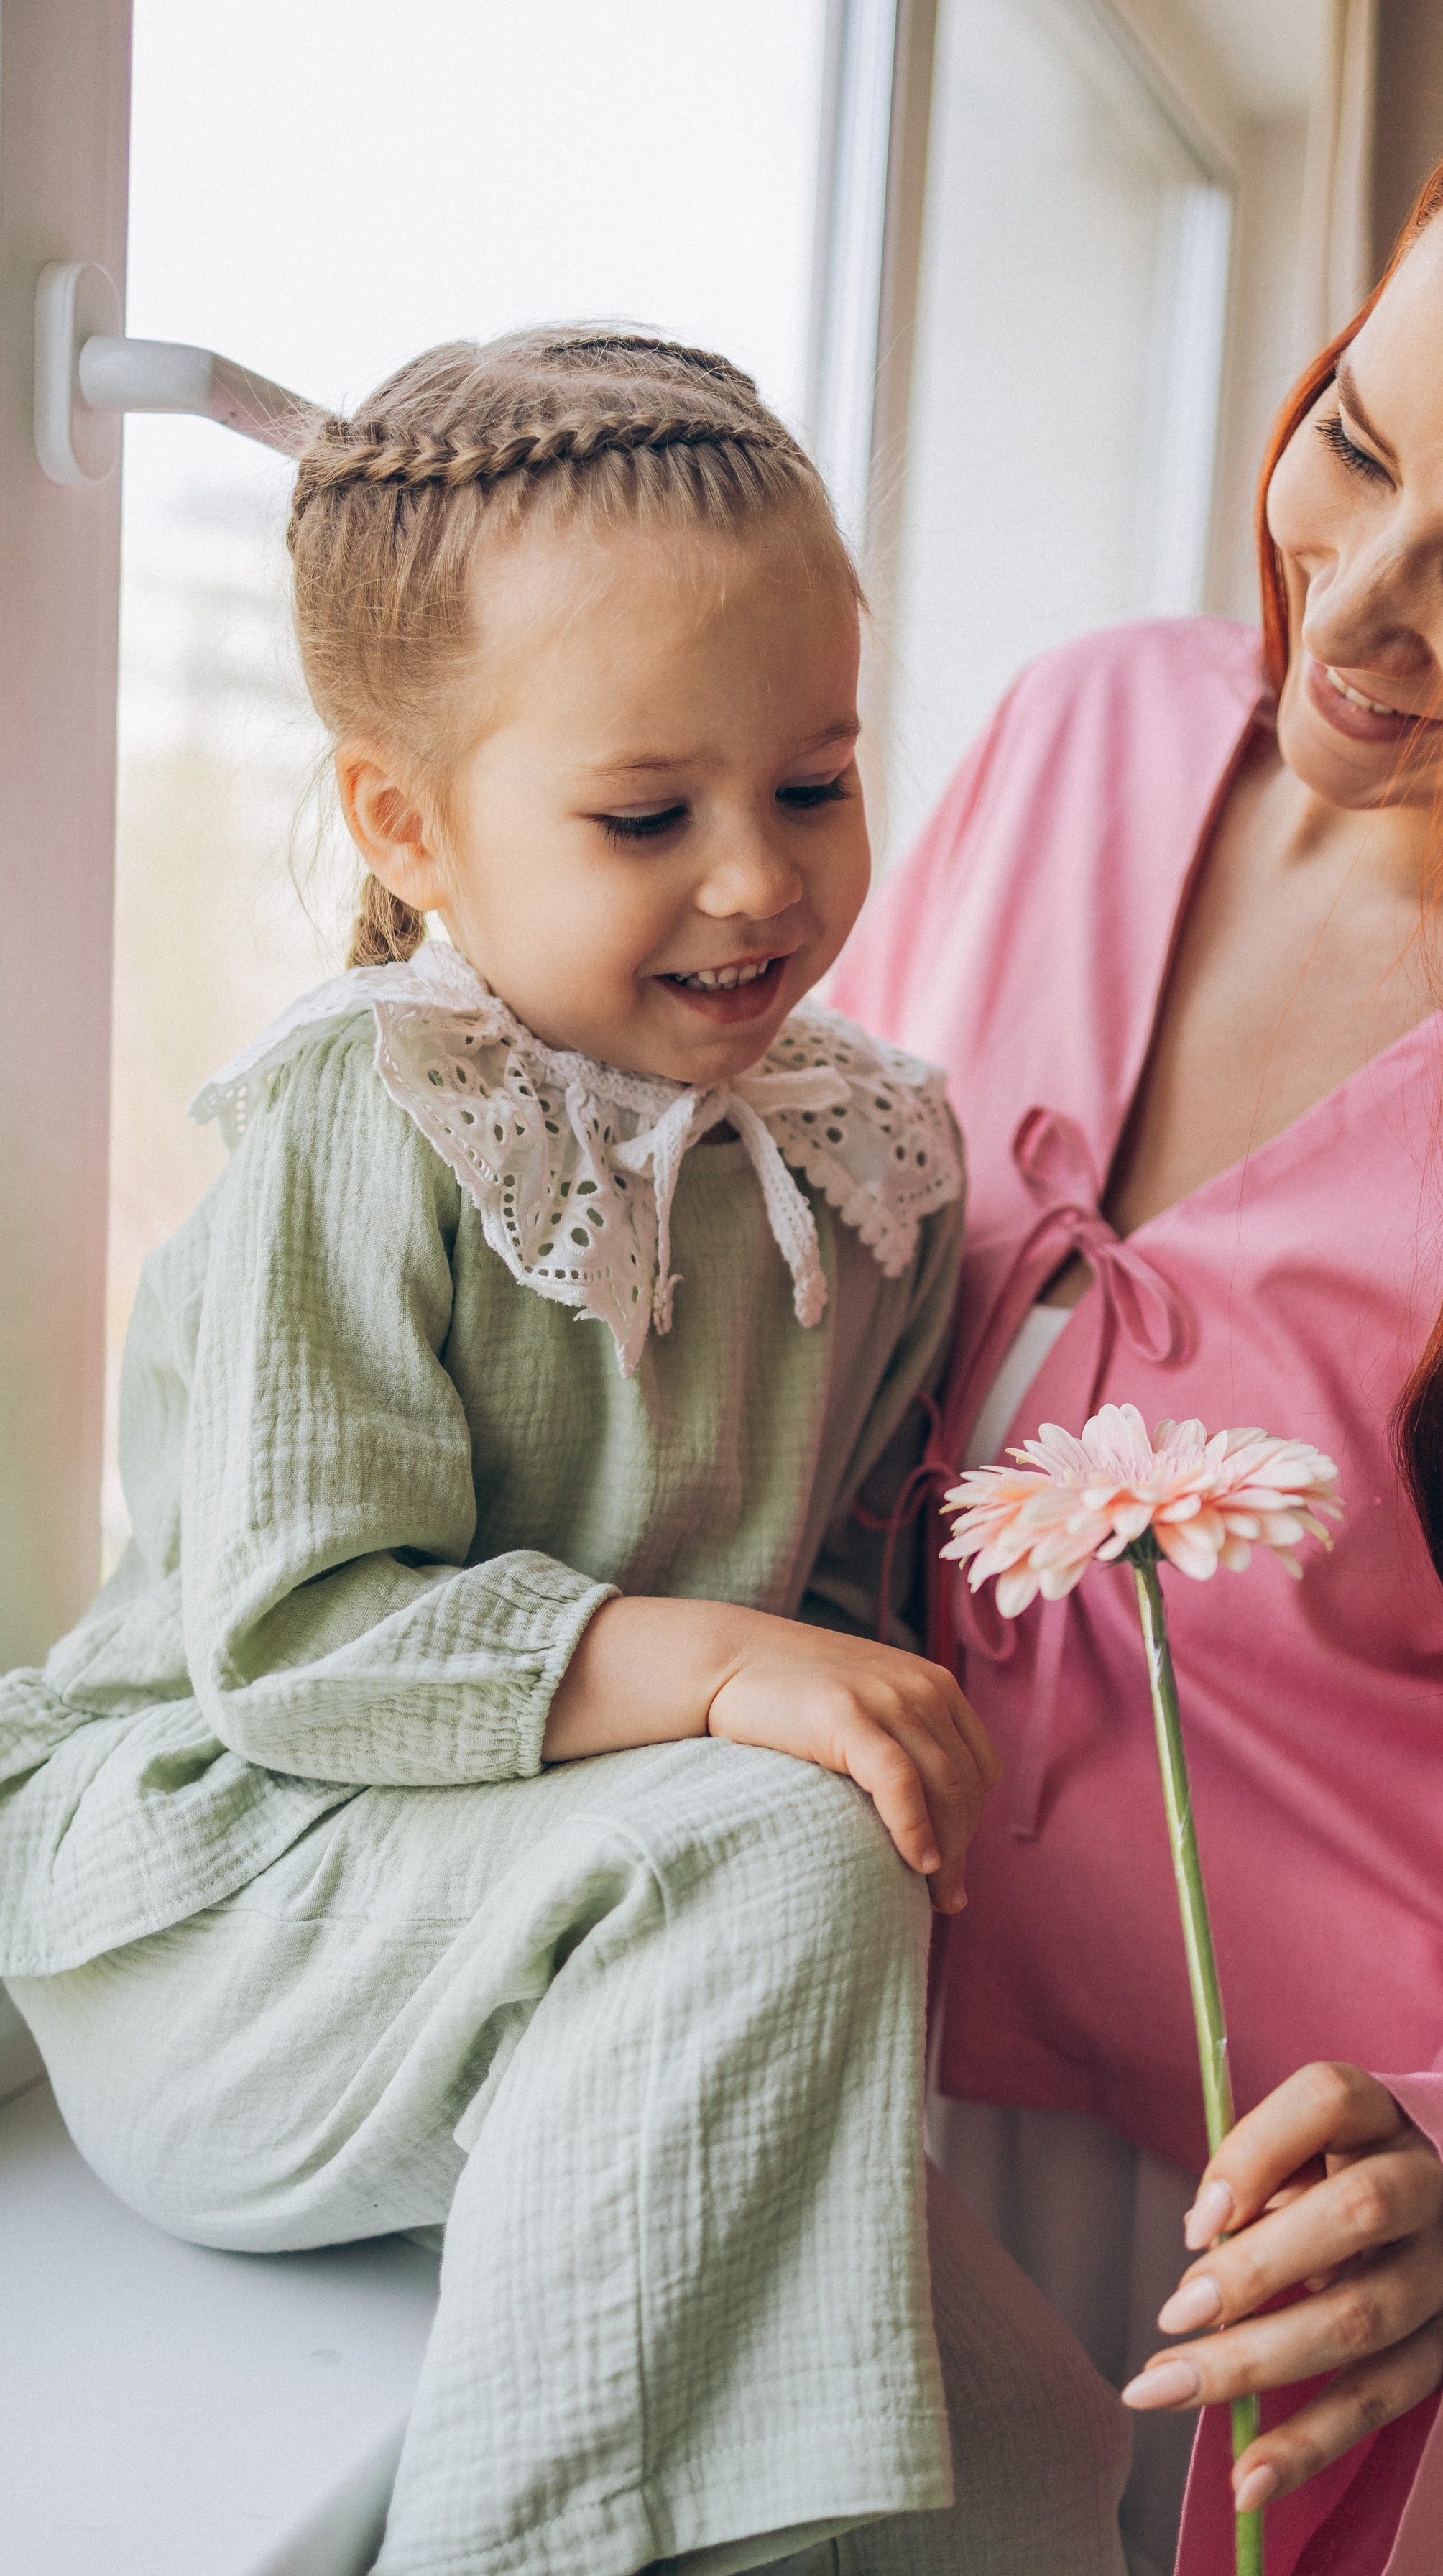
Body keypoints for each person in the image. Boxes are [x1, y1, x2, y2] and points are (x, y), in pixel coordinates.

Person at [830, 5, 1443, 2572]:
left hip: (1325, 2315)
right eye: (1362, 436)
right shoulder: (1077, 736)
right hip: (852, 2136)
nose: (1347, 609)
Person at [0, 328, 1131, 2576]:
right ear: (411, 827)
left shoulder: (863, 1162)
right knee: (792, 1837)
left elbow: (826, 1614)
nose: (755, 883)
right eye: (648, 818)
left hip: (580, 1952)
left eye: (814, 786)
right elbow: (304, 1643)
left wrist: (788, 1700)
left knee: (1030, 2445)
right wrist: (715, 1677)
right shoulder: (371, 1119)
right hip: (241, 1929)